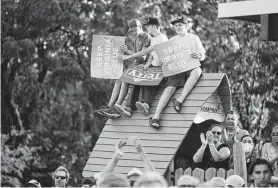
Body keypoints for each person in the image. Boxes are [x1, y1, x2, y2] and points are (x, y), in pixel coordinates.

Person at [122, 15, 205, 128]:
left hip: (190, 66)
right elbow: (156, 54)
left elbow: (202, 54)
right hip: (177, 69)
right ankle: (156, 117)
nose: (178, 27)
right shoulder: (171, 40)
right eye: (176, 26)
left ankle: (179, 100)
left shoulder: (193, 38)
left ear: (186, 26)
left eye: (180, 25)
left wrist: (199, 56)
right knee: (169, 88)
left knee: (197, 71)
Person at [95, 19, 150, 119]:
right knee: (118, 80)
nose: (133, 33)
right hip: (136, 65)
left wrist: (128, 52)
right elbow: (137, 57)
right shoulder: (136, 39)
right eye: (131, 31)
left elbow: (143, 57)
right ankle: (110, 106)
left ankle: (117, 105)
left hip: (144, 66)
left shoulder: (145, 37)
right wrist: (125, 51)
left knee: (124, 80)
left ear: (140, 27)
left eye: (135, 30)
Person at [119, 17, 168, 116]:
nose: (147, 28)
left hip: (162, 68)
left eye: (148, 26)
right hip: (153, 66)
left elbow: (145, 52)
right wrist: (147, 64)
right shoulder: (154, 38)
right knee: (138, 78)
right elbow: (152, 55)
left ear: (154, 26)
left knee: (148, 82)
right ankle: (129, 106)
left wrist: (128, 56)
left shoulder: (161, 38)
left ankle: (146, 104)